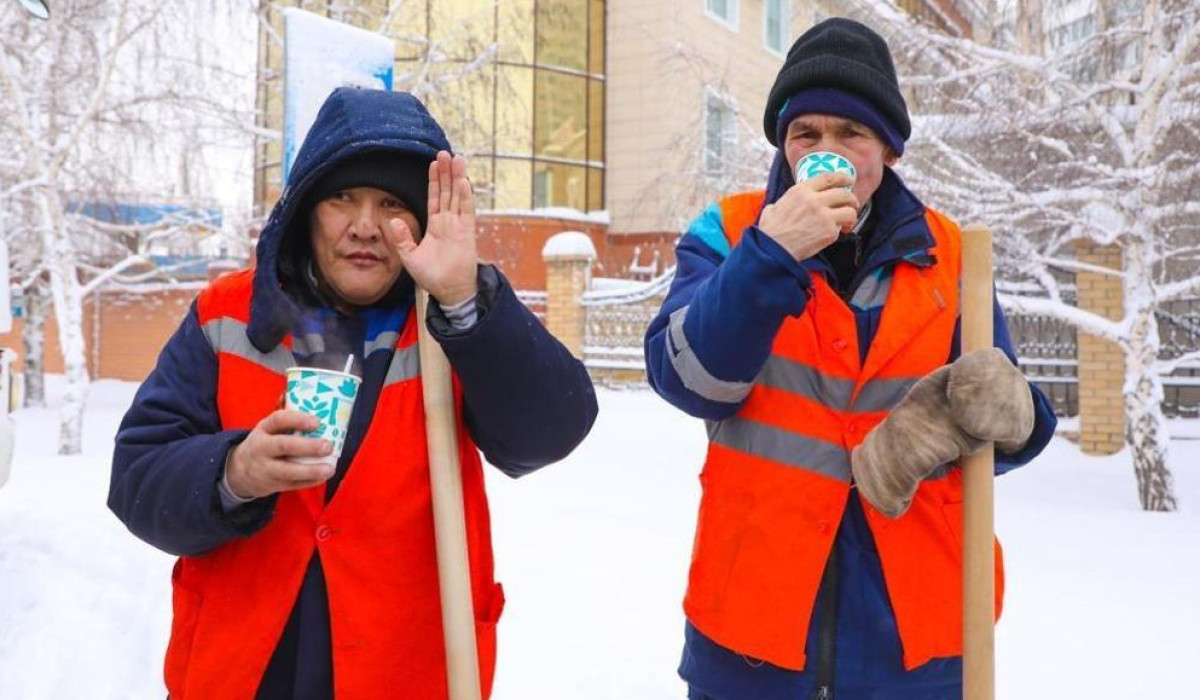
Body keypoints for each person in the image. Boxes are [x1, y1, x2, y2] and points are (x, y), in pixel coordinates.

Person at [108, 87, 598, 700]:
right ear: (305, 209)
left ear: (419, 219)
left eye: (390, 203)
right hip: (239, 672)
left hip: (405, 672)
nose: (365, 227)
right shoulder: (224, 315)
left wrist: (465, 300)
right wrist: (235, 473)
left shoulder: (451, 320)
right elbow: (137, 481)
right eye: (342, 198)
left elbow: (550, 432)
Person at [644, 18, 1057, 700]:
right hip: (753, 639)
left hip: (916, 646)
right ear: (784, 143)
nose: (826, 152)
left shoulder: (951, 256)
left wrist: (1020, 417)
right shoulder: (729, 232)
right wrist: (770, 256)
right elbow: (688, 380)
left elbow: (996, 421)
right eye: (806, 133)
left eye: (850, 133)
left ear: (887, 149)